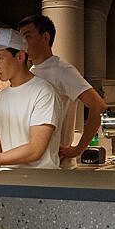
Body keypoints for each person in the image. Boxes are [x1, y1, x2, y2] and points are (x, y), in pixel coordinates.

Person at [0, 28, 61, 168]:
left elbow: (35, 150)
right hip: (9, 177)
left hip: (40, 178)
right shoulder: (1, 97)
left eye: (0, 58)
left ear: (20, 57)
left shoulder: (44, 93)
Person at [18, 14, 108, 164]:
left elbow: (98, 106)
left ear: (45, 37)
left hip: (57, 165)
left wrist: (78, 149)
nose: (22, 43)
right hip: (34, 163)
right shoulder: (32, 71)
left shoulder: (62, 70)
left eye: (27, 36)